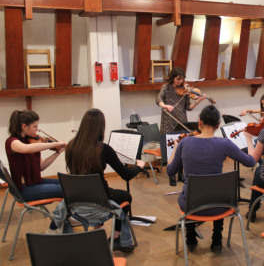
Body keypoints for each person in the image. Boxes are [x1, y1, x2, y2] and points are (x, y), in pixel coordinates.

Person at [167, 105, 255, 254]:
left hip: (191, 205)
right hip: (220, 204)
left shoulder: (185, 143)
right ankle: (217, 239)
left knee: (190, 193)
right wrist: (248, 139)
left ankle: (190, 239)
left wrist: (176, 147)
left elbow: (170, 171)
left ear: (199, 122)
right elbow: (251, 162)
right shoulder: (224, 143)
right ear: (218, 125)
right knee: (217, 192)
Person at [65, 108, 146, 252]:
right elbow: (126, 175)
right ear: (100, 128)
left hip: (77, 199)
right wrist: (139, 166)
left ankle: (97, 231)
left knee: (109, 194)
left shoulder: (71, 146)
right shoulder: (103, 149)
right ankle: (115, 238)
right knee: (126, 197)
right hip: (100, 198)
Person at [5, 110, 67, 234]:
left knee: (68, 184)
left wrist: (58, 152)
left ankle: (65, 219)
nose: (37, 129)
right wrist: (55, 143)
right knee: (68, 191)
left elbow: (41, 167)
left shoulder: (31, 141)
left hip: (35, 183)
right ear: (24, 126)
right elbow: (26, 149)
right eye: (35, 126)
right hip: (25, 190)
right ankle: (55, 227)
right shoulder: (12, 142)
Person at [156, 67, 207, 186]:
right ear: (172, 78)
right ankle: (171, 176)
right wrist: (165, 106)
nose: (180, 81)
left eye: (182, 78)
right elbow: (158, 99)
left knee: (182, 148)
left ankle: (180, 173)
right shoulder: (166, 87)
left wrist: (199, 101)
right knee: (171, 149)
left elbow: (188, 108)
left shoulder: (185, 89)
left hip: (182, 121)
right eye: (178, 79)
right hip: (168, 121)